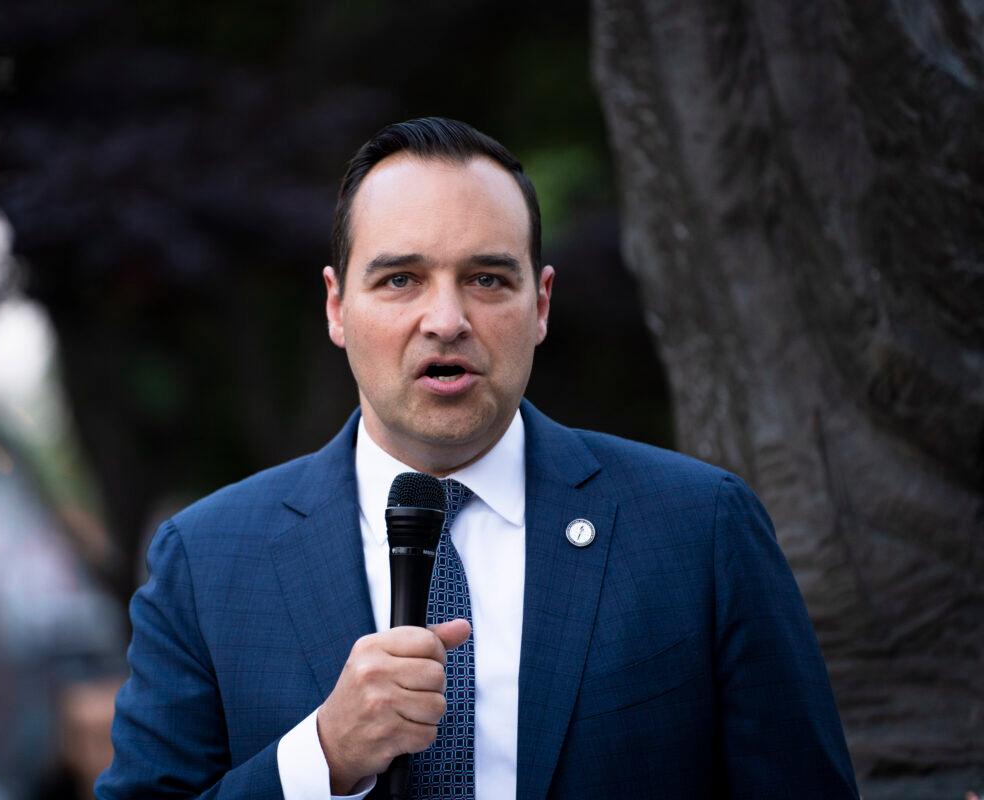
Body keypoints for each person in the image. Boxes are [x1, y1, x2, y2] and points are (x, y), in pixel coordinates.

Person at [95, 117, 859, 799]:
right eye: (401, 279)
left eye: (487, 279)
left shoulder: (701, 531)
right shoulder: (208, 561)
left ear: (541, 305)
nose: (447, 320)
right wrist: (320, 757)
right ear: (336, 307)